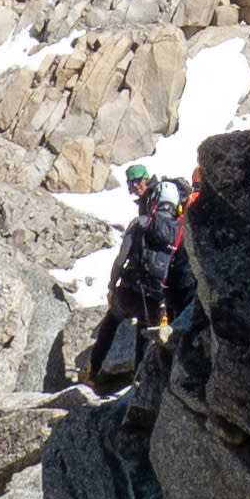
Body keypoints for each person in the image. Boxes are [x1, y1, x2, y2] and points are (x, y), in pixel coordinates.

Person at [90, 166, 185, 391]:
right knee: (144, 339)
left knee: (110, 324)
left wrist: (112, 287)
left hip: (128, 291)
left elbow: (120, 259)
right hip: (153, 299)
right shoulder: (180, 232)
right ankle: (139, 386)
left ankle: (92, 372)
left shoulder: (140, 222)